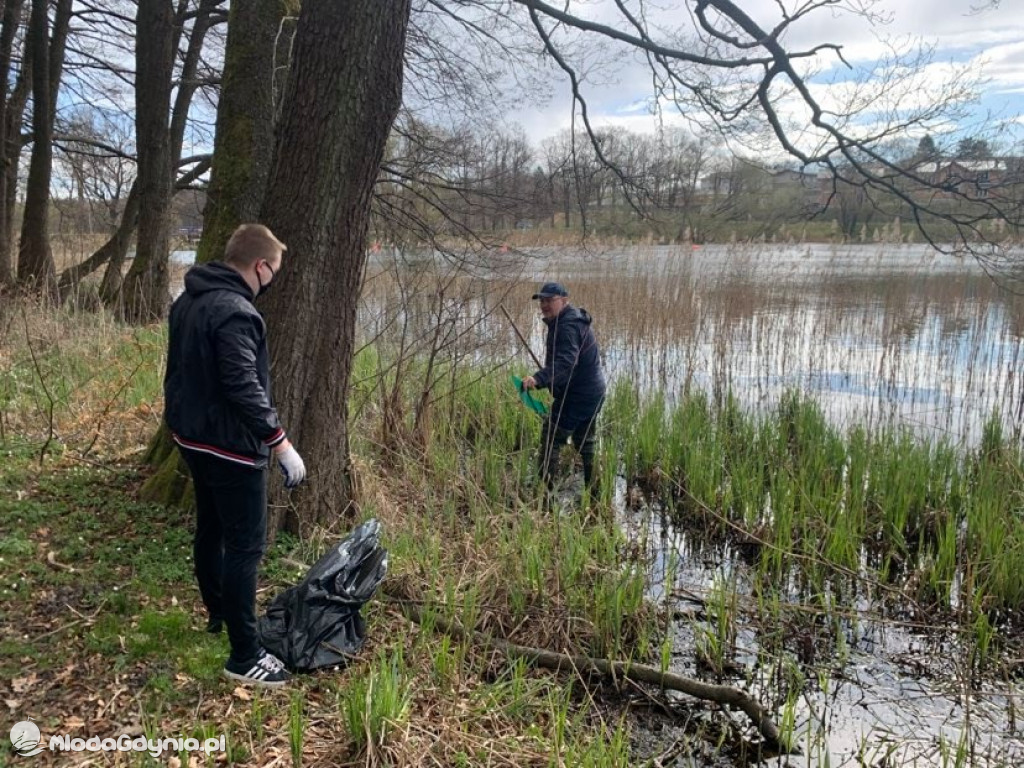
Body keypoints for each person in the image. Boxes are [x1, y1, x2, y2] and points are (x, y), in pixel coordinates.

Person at [164, 223, 306, 688]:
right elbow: (242, 385)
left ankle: (218, 612)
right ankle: (244, 656)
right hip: (230, 450)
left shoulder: (189, 299)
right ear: (260, 266)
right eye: (275, 271)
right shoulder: (237, 313)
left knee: (210, 528)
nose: (273, 279)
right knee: (245, 546)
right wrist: (280, 443)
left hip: (192, 439)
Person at [521, 281, 606, 497]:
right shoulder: (567, 320)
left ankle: (545, 493)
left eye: (550, 300)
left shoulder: (567, 326)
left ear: (564, 300)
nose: (544, 305)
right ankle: (594, 490)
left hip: (577, 396)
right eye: (542, 300)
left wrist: (538, 379)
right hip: (592, 393)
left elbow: (566, 365)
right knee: (585, 442)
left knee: (551, 437)